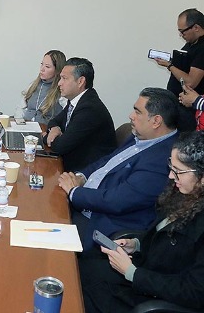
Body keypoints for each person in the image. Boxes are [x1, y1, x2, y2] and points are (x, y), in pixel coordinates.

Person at [80, 131, 204, 312]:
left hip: (160, 296)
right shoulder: (183, 193)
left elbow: (194, 292)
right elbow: (164, 238)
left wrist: (133, 273)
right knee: (81, 269)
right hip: (146, 272)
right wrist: (137, 244)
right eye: (171, 167)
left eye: (178, 171)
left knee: (83, 293)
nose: (171, 176)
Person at [58, 88, 179, 251]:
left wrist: (74, 192)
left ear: (156, 121)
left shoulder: (162, 160)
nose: (131, 116)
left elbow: (117, 201)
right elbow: (106, 162)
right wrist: (81, 177)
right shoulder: (140, 137)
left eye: (137, 112)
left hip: (100, 223)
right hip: (86, 201)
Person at [46, 57, 116, 172]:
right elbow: (54, 121)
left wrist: (46, 137)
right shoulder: (76, 101)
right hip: (71, 162)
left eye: (64, 78)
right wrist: (55, 129)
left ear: (80, 81)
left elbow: (59, 147)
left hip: (86, 171)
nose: (59, 83)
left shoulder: (89, 108)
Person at [154, 8, 204, 131]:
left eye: (183, 31)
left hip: (191, 110)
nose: (181, 35)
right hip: (180, 105)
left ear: (196, 27)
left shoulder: (202, 48)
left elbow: (191, 82)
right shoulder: (192, 43)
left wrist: (169, 66)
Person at [20, 50, 66, 124]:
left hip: (45, 129)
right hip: (26, 126)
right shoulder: (33, 85)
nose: (42, 69)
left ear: (57, 70)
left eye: (47, 66)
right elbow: (20, 109)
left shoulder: (62, 90)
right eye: (42, 64)